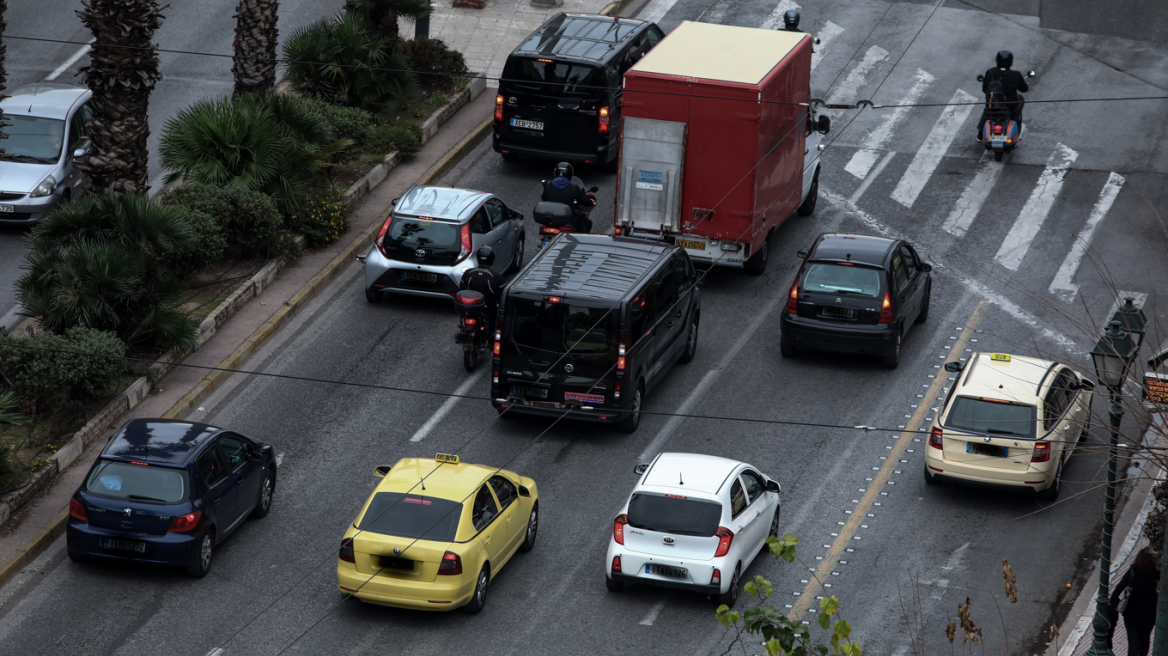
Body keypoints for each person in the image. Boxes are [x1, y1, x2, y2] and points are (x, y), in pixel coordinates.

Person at [1109, 547, 1160, 656]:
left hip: (1131, 615)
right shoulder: (1158, 575)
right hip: (1150, 616)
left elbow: (1118, 589)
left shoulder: (1133, 572)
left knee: (1133, 643)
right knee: (1145, 641)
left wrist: (1113, 602)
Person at [978, 50, 1028, 138]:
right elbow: (1024, 89)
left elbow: (984, 90)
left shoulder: (990, 73)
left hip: (994, 105)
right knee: (1020, 99)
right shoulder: (1016, 75)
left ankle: (980, 134)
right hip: (1009, 106)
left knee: (988, 108)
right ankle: (1015, 126)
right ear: (1011, 61)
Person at [459, 246, 505, 331]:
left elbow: (462, 290)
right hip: (488, 310)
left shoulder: (468, 273)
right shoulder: (496, 276)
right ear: (492, 259)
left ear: (478, 258)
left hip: (469, 308)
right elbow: (502, 297)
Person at [540, 162, 594, 233]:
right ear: (570, 175)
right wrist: (591, 201)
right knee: (580, 216)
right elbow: (585, 201)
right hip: (567, 218)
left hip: (550, 216)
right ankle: (582, 238)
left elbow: (543, 197)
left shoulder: (548, 184)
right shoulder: (574, 188)